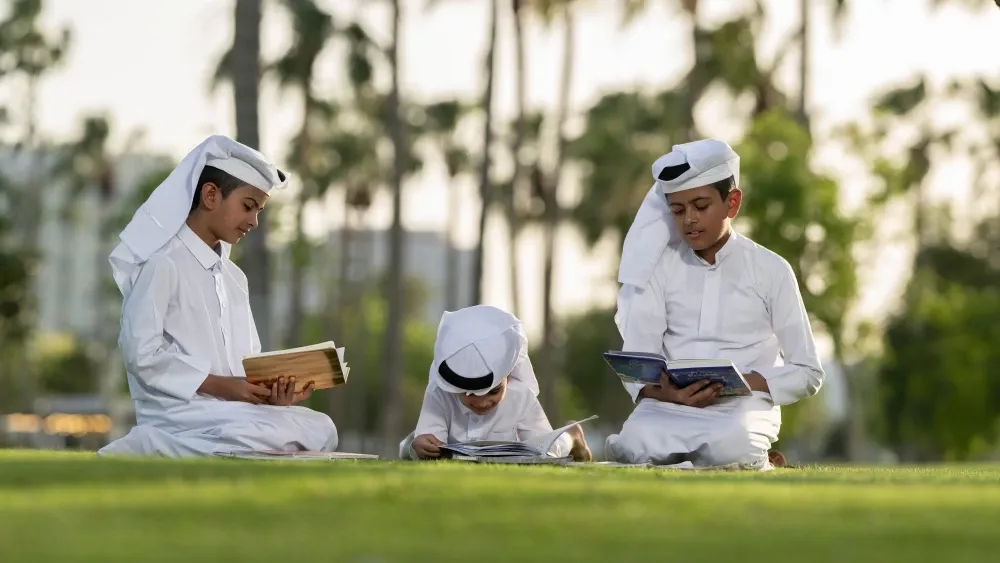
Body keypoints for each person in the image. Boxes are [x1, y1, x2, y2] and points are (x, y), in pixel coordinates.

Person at [98, 135, 338, 457]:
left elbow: (247, 366)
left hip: (232, 412)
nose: (253, 221)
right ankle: (151, 442)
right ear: (211, 195)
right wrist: (220, 386)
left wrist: (270, 396)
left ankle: (196, 448)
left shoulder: (235, 279)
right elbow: (141, 354)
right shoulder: (162, 263)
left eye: (259, 211)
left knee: (322, 428)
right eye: (248, 207)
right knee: (265, 434)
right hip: (179, 413)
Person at [604, 138, 823, 469]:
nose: (689, 219)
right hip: (669, 407)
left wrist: (744, 383)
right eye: (678, 210)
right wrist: (670, 395)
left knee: (733, 446)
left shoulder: (771, 270)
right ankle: (746, 462)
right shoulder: (658, 269)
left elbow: (808, 372)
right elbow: (639, 365)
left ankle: (744, 457)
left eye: (700, 206)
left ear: (732, 203)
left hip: (743, 407)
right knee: (633, 445)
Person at [399, 305, 591, 461]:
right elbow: (429, 440)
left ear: (508, 375)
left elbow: (544, 448)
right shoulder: (439, 393)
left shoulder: (520, 396)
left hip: (533, 448)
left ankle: (572, 436)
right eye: (470, 393)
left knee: (551, 449)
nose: (482, 402)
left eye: (494, 391)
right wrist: (420, 446)